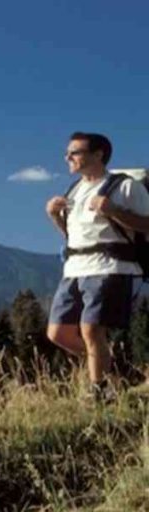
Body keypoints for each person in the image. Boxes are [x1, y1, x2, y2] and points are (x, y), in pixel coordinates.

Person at [45, 132, 149, 401]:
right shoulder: (74, 191)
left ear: (98, 154)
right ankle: (116, 370)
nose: (68, 157)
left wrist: (114, 211)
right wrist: (55, 217)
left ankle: (100, 392)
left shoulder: (124, 187)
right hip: (75, 268)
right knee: (58, 333)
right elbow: (72, 236)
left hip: (112, 266)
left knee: (91, 329)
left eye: (74, 152)